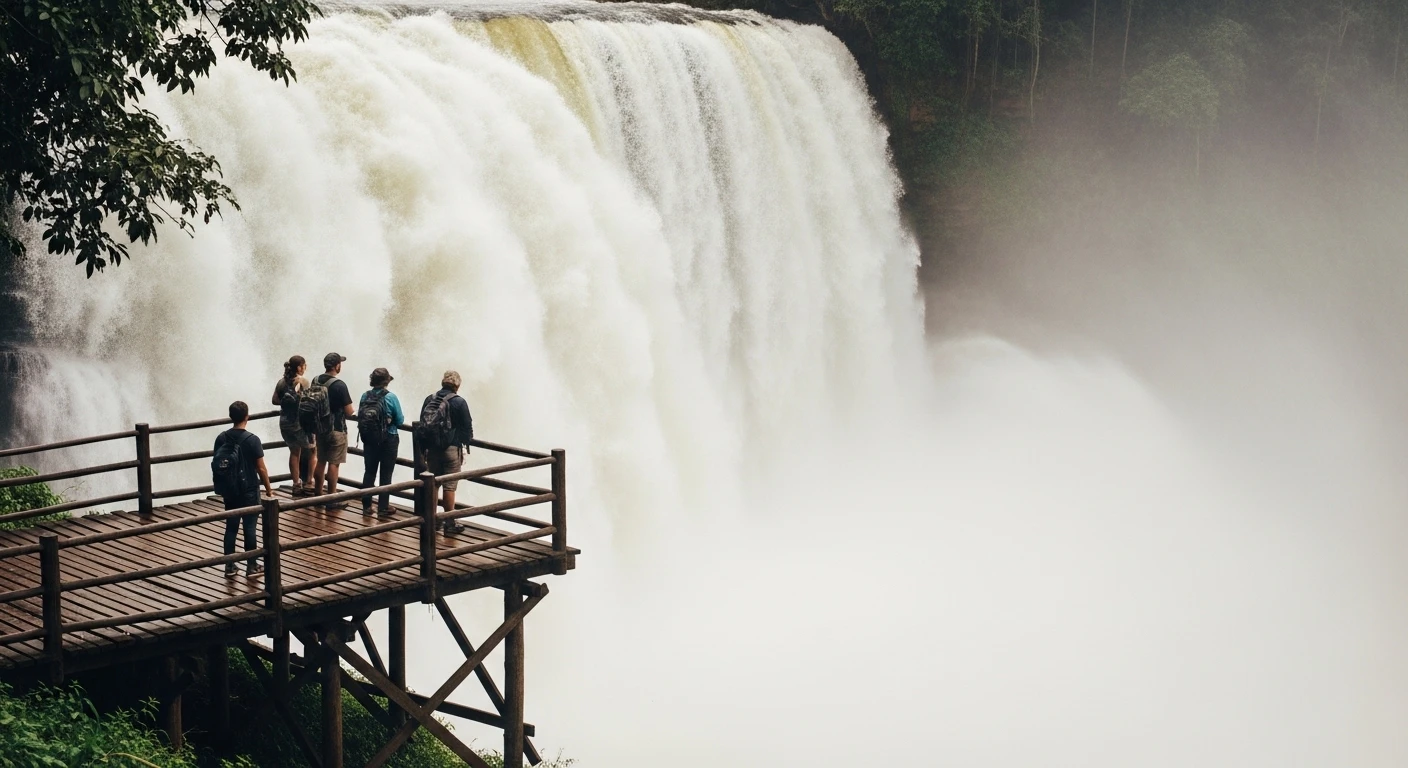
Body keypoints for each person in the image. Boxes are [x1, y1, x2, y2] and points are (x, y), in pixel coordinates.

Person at [212, 401, 273, 577]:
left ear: (231, 416)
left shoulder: (221, 438)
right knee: (249, 527)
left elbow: (218, 462)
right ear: (247, 416)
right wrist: (268, 490)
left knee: (231, 527)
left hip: (229, 489)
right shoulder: (252, 440)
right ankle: (252, 565)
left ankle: (229, 566)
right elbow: (261, 468)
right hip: (249, 490)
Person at [418, 370, 474, 535]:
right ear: (457, 385)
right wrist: (464, 442)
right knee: (449, 486)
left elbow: (423, 421)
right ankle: (450, 522)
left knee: (434, 484)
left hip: (432, 449)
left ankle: (432, 519)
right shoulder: (459, 402)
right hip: (451, 449)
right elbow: (467, 428)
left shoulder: (430, 398)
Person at [357, 367, 404, 517]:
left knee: (369, 472)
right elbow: (400, 420)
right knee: (386, 473)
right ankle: (383, 507)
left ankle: (366, 506)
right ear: (386, 382)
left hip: (369, 438)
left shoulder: (365, 396)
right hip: (388, 438)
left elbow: (360, 415)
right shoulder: (391, 397)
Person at [310, 352, 355, 509]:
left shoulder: (315, 380)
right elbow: (349, 411)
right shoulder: (339, 385)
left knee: (321, 460)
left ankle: (317, 495)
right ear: (337, 366)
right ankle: (332, 498)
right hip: (336, 428)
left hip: (320, 428)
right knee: (334, 463)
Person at [271, 355, 317, 496]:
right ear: (299, 367)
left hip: (285, 422)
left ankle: (296, 484)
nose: (305, 368)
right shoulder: (303, 381)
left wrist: (287, 403)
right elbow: (309, 401)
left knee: (294, 452)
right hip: (300, 423)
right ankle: (309, 482)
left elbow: (274, 400)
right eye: (304, 365)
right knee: (313, 450)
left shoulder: (281, 382)